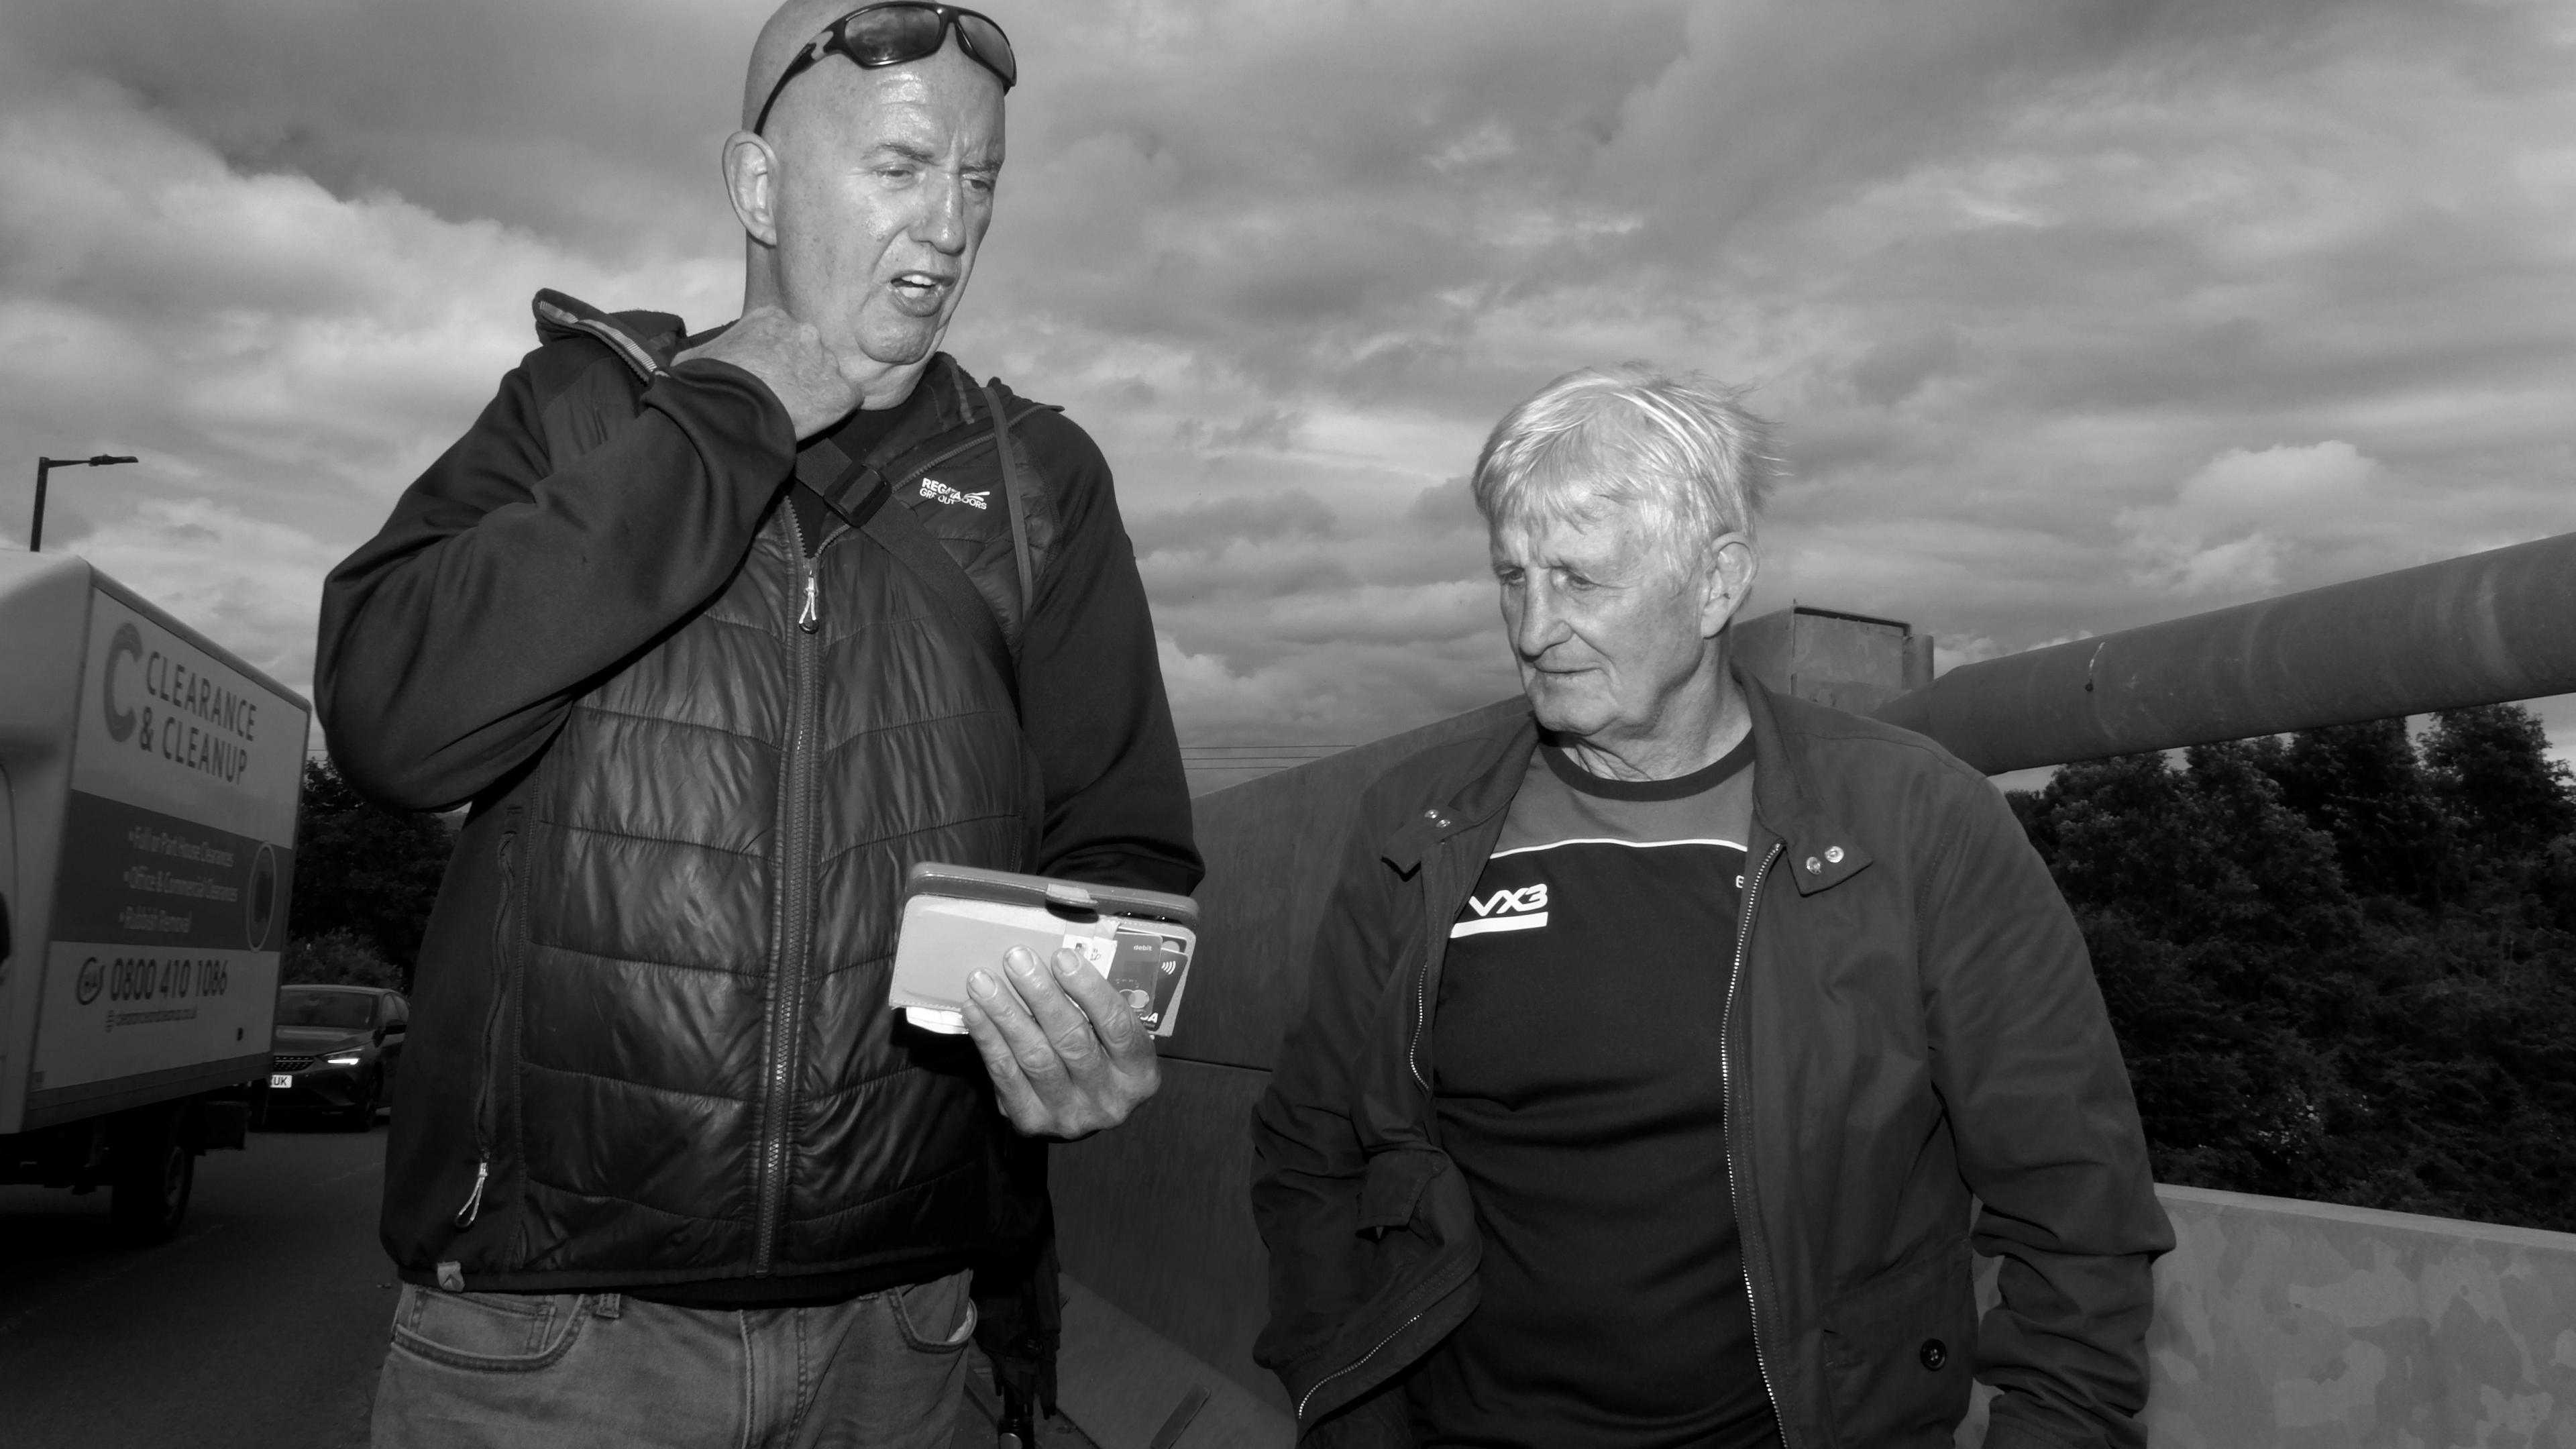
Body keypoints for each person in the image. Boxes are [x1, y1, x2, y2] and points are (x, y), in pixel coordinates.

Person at [315, 5, 1199, 1445]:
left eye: (981, 181)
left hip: (903, 1335)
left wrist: (1095, 1031)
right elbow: (390, 718)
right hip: (550, 1336)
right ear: (759, 188)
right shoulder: (584, 411)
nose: (953, 222)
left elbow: (1124, 849)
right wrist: (727, 419)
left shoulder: (1038, 482)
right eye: (904, 166)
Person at [1250, 365, 2173, 1449]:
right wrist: (1351, 1419)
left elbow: (2079, 1209)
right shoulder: (1422, 825)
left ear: (1715, 582)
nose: (1535, 628)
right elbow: (1313, 1148)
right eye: (1514, 577)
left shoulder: (1918, 822)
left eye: (1582, 582)